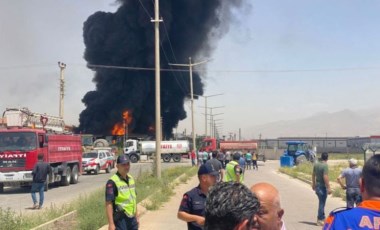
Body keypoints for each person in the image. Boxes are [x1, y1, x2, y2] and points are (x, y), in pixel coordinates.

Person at [323, 154, 380, 229]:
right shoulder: (359, 170)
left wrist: (342, 186)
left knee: (350, 207)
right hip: (357, 190)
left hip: (350, 190)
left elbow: (338, 178)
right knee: (358, 204)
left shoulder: (339, 219)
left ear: (362, 185)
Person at [178, 161, 218, 230]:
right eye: (212, 176)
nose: (215, 178)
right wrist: (196, 218)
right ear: (204, 178)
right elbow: (181, 214)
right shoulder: (190, 195)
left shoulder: (217, 194)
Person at [105, 155, 139, 230]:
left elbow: (134, 198)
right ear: (117, 166)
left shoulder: (131, 178)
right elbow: (108, 203)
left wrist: (136, 215)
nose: (126, 167)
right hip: (121, 219)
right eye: (123, 165)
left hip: (132, 218)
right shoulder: (112, 182)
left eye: (128, 164)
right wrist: (111, 224)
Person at [312, 152, 332, 226]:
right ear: (327, 158)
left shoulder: (316, 164)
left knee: (321, 202)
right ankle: (320, 219)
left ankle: (322, 217)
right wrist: (328, 187)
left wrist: (313, 184)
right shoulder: (325, 165)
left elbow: (313, 174)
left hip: (317, 186)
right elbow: (325, 177)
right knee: (322, 203)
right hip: (322, 187)